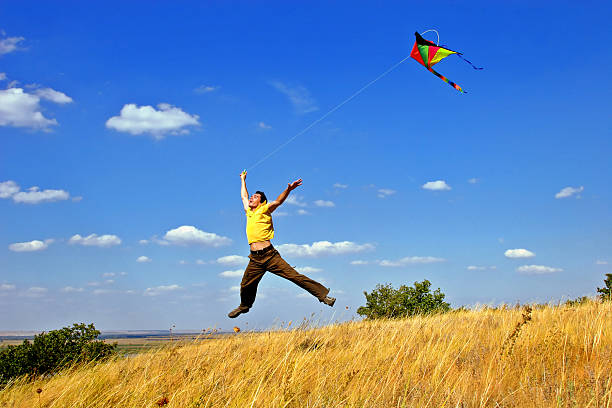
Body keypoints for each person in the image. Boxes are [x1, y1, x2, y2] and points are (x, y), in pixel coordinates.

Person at [228, 171, 335, 318]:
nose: (252, 198)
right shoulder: (249, 212)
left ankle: (323, 296)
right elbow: (244, 196)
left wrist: (289, 190)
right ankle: (244, 306)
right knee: (246, 285)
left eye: (256, 197)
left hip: (270, 256)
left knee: (295, 276)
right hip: (255, 259)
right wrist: (243, 180)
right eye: (252, 196)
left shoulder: (264, 210)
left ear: (262, 202)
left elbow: (278, 202)